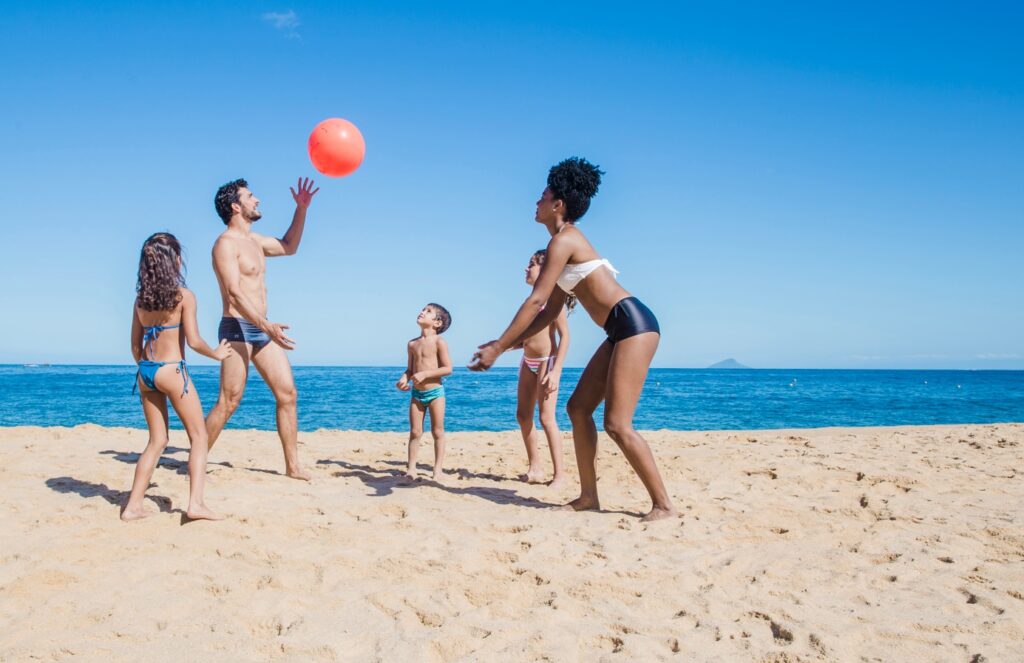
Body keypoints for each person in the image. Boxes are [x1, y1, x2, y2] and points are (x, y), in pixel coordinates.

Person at [469, 158, 676, 522]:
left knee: (617, 423)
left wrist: (499, 346)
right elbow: (549, 313)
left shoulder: (565, 240)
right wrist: (510, 344)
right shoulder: (561, 244)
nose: (536, 202)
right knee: (578, 409)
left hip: (634, 325)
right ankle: (588, 497)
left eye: (543, 195)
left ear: (558, 204)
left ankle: (663, 505)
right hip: (619, 329)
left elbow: (536, 300)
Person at [205, 177, 318, 480]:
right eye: (251, 196)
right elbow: (233, 293)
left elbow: (290, 246)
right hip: (237, 328)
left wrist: (302, 209)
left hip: (262, 330)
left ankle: (293, 467)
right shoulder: (225, 244)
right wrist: (266, 325)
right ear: (235, 206)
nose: (257, 200)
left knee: (288, 393)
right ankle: (197, 458)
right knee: (229, 400)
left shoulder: (255, 242)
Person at [123, 232, 233, 522]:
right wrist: (217, 353)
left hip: (146, 372)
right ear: (174, 261)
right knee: (199, 436)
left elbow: (135, 345)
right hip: (172, 370)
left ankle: (133, 506)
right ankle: (195, 504)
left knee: (156, 441)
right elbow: (194, 342)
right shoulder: (184, 296)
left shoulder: (140, 300)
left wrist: (149, 368)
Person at [513, 250, 569, 488]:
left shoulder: (553, 301)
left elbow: (564, 337)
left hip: (547, 362)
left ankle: (560, 475)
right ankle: (535, 467)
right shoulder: (529, 302)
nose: (526, 269)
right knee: (523, 416)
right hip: (528, 362)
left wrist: (556, 371)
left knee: (547, 418)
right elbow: (526, 337)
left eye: (531, 265)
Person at [396, 303, 453, 482]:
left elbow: (447, 369)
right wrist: (404, 378)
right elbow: (410, 369)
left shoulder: (439, 342)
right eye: (423, 309)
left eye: (428, 311)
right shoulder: (412, 344)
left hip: (436, 393)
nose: (422, 312)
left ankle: (437, 470)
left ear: (437, 323)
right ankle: (411, 468)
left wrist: (427, 374)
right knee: (415, 431)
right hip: (417, 395)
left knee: (437, 431)